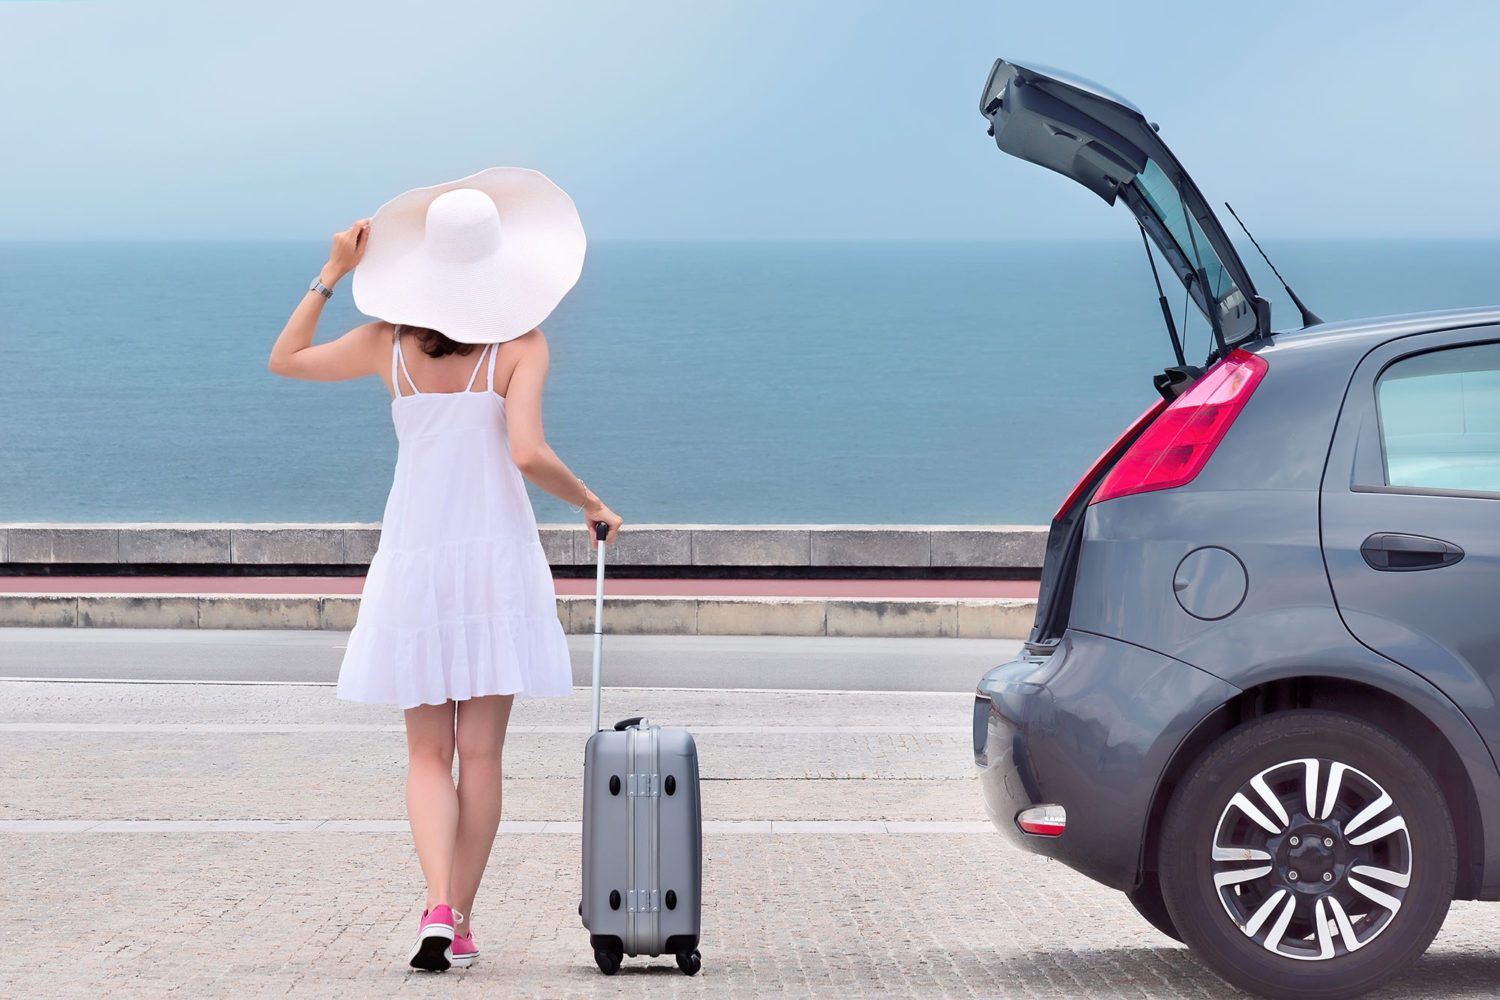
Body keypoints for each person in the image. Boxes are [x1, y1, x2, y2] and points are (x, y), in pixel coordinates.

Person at [266, 167, 622, 972]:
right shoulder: (520, 346)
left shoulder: (386, 345)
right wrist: (593, 503)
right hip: (493, 559)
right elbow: (527, 453)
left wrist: (332, 271)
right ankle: (459, 918)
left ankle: (435, 908)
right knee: (483, 756)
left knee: (425, 754)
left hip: (417, 559)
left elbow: (284, 359)